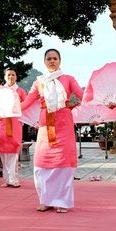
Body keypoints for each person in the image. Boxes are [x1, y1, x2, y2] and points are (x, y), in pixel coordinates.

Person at [20, 48, 83, 213]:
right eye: (49, 58)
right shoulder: (38, 82)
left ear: (60, 61)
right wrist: (6, 111)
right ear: (44, 62)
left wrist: (97, 103)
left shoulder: (69, 79)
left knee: (64, 163)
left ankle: (62, 201)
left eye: (55, 58)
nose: (52, 61)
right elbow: (26, 103)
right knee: (42, 163)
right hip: (45, 126)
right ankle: (46, 199)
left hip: (64, 124)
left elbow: (83, 96)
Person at [0, 68, 27, 188]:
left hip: (15, 122)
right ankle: (7, 179)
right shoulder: (0, 91)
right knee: (3, 151)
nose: (11, 77)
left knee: (13, 151)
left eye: (13, 74)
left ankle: (13, 178)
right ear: (4, 77)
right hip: (2, 123)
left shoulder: (20, 91)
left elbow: (26, 106)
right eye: (8, 75)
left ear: (16, 77)